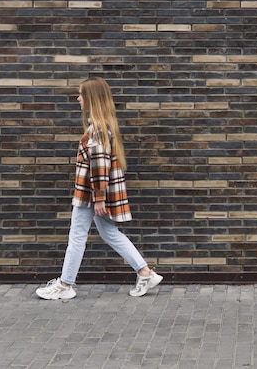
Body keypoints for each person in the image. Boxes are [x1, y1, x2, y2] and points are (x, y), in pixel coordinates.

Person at [36, 77, 162, 300]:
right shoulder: (102, 128)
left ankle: (65, 284)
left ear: (92, 99)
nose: (78, 98)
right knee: (109, 232)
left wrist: (99, 199)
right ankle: (145, 272)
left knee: (77, 235)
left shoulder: (97, 131)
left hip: (89, 195)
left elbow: (99, 167)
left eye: (81, 95)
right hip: (93, 194)